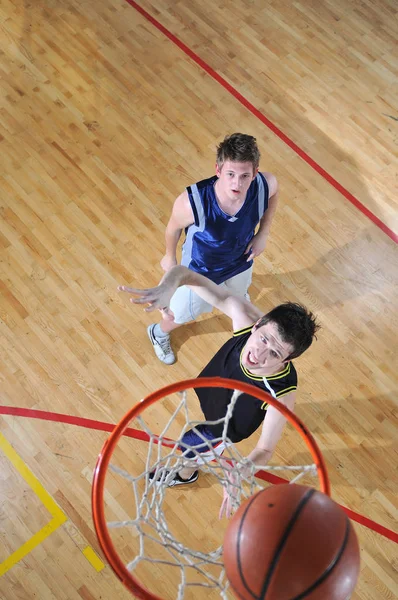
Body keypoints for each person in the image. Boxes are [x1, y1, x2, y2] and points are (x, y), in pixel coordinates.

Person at [118, 265, 319, 516]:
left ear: (286, 362)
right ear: (256, 326)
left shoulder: (281, 394)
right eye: (264, 339)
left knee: (190, 448)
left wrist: (240, 472)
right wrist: (167, 287)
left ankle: (185, 474)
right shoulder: (245, 322)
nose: (259, 353)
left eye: (275, 353)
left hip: (224, 428)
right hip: (214, 394)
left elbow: (265, 450)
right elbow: (186, 274)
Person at [148, 133, 279, 365]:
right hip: (199, 274)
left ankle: (236, 296)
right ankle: (158, 333)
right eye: (230, 174)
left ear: (255, 173)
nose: (237, 183)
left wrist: (263, 233)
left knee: (240, 299)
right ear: (218, 170)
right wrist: (169, 256)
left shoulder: (264, 185)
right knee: (178, 315)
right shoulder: (192, 202)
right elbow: (172, 228)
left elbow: (274, 194)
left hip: (240, 264)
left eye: (244, 176)